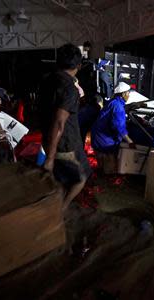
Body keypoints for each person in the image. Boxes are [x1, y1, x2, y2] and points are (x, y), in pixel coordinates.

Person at [39, 43, 91, 209]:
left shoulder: (47, 80)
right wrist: (50, 158)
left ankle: (55, 204)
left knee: (60, 177)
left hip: (48, 140)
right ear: (79, 66)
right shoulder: (70, 88)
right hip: (66, 144)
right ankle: (62, 208)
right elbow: (59, 123)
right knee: (82, 175)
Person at [91, 82, 135, 174]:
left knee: (101, 168)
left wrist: (131, 106)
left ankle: (100, 181)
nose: (129, 95)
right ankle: (104, 185)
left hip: (98, 138)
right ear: (123, 94)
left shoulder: (113, 102)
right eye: (128, 93)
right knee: (108, 170)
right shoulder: (118, 106)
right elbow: (119, 127)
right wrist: (129, 141)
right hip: (104, 142)